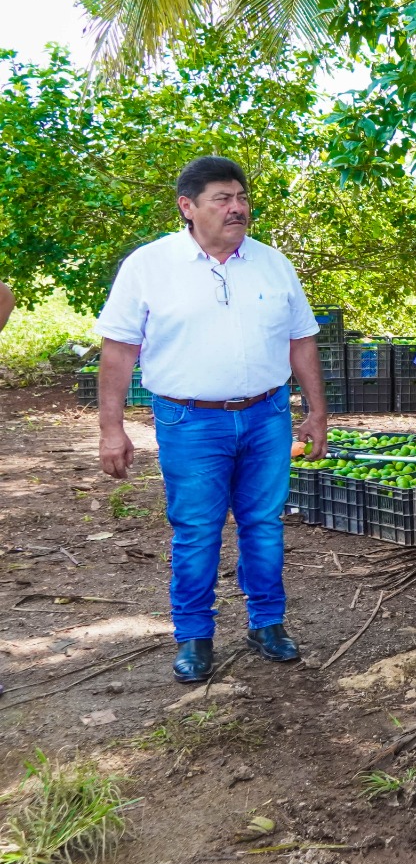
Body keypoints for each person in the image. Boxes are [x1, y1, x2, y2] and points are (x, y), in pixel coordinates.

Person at [96, 156, 328, 683]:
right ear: (187, 206)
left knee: (263, 525)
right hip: (190, 421)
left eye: (242, 198)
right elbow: (117, 351)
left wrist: (316, 411)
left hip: (267, 415)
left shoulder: (272, 263)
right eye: (222, 199)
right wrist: (112, 428)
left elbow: (301, 340)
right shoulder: (149, 266)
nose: (237, 208)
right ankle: (195, 636)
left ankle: (267, 623)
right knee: (197, 530)